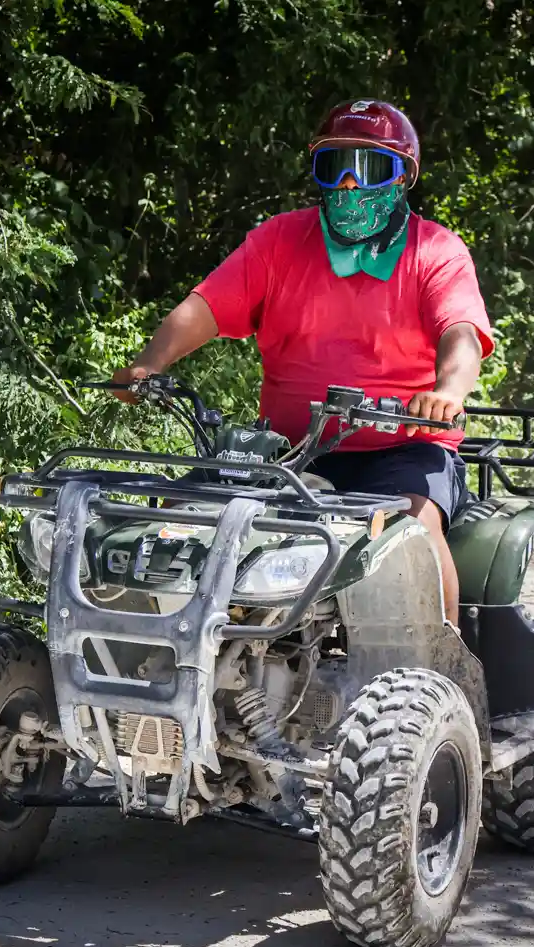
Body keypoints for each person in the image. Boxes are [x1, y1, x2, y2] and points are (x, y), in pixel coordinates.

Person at [111, 99, 494, 628]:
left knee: (415, 535)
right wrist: (150, 363)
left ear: (404, 177)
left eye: (371, 167)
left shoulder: (435, 251)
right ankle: (162, 653)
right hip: (292, 451)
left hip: (403, 449)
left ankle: (443, 673)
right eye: (333, 165)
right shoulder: (279, 241)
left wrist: (449, 392)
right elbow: (207, 305)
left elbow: (462, 332)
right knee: (184, 522)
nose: (348, 184)